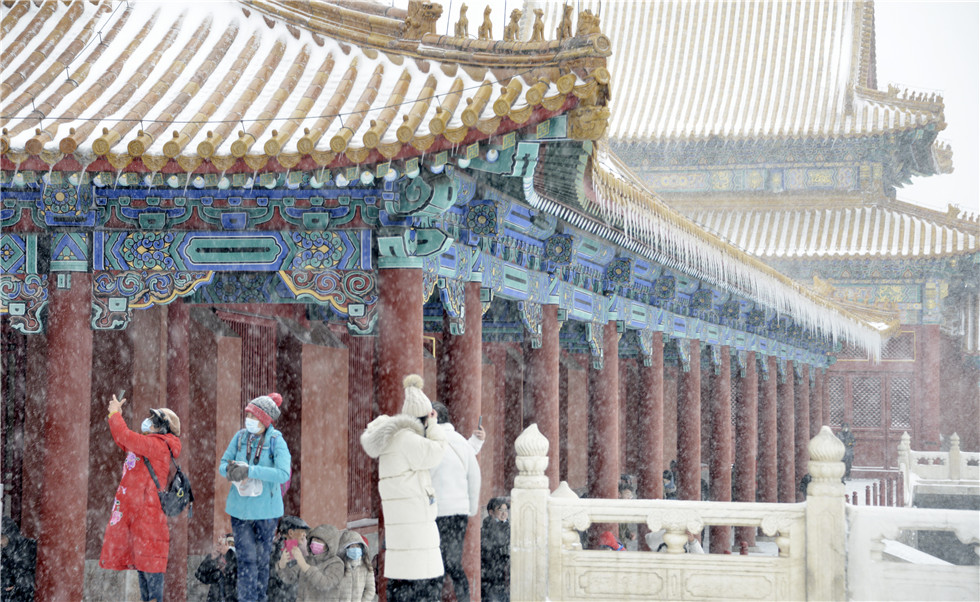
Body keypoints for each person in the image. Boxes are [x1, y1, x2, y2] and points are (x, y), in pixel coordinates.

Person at [360, 374, 447, 601]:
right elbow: (438, 450)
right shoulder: (408, 440)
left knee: (403, 584)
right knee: (421, 586)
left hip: (403, 525)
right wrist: (434, 424)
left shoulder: (395, 439)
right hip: (415, 525)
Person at [99, 393, 181, 602]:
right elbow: (123, 439)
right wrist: (114, 415)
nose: (148, 422)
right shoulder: (149, 445)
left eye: (153, 420)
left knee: (151, 572)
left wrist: (115, 414)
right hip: (143, 517)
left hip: (148, 519)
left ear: (161, 428)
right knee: (145, 569)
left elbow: (126, 436)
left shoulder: (158, 445)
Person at [219, 394, 291, 602]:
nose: (248, 420)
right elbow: (223, 464)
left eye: (254, 416)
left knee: (260, 561)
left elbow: (283, 474)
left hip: (266, 513)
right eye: (248, 415)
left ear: (265, 420)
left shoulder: (276, 441)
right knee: (246, 560)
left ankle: (259, 598)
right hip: (240, 511)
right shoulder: (240, 437)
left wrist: (251, 471)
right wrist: (232, 472)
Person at [430, 401, 482, 602]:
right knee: (453, 562)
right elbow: (474, 476)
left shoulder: (429, 442)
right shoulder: (460, 442)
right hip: (458, 512)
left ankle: (433, 598)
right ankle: (465, 598)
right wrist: (471, 508)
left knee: (434, 562)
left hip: (435, 511)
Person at [279, 523, 344, 600]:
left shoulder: (336, 563)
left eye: (319, 540)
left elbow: (326, 584)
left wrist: (305, 566)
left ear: (329, 545)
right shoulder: (307, 559)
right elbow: (289, 578)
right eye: (314, 539)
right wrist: (282, 565)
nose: (315, 542)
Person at [270, 515, 310, 602]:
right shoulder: (281, 550)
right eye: (302, 531)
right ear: (291, 533)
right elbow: (283, 581)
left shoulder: (292, 549)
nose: (304, 534)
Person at [481, 497, 510, 602]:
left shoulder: (510, 529)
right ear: (491, 512)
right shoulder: (485, 530)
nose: (504, 513)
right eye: (500, 510)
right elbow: (487, 550)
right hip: (491, 575)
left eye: (506, 510)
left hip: (505, 576)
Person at [2, 517, 37, 601]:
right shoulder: (4, 552)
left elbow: (31, 579)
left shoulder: (28, 547)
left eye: (2, 537)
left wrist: (17, 586)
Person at [195, 533, 237, 602]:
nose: (229, 546)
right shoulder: (218, 557)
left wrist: (228, 553)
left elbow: (233, 570)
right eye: (227, 543)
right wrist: (212, 557)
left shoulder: (240, 560)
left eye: (232, 544)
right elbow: (199, 574)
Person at [337, 530, 376, 602]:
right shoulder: (338, 566)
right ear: (345, 549)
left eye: (357, 546)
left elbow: (370, 589)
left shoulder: (366, 566)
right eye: (352, 546)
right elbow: (332, 589)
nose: (355, 549)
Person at [617, 480, 638, 551]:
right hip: (615, 545)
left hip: (622, 545)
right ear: (619, 494)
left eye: (630, 495)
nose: (629, 498)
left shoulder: (623, 509)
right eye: (627, 494)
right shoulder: (615, 509)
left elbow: (623, 529)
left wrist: (629, 534)